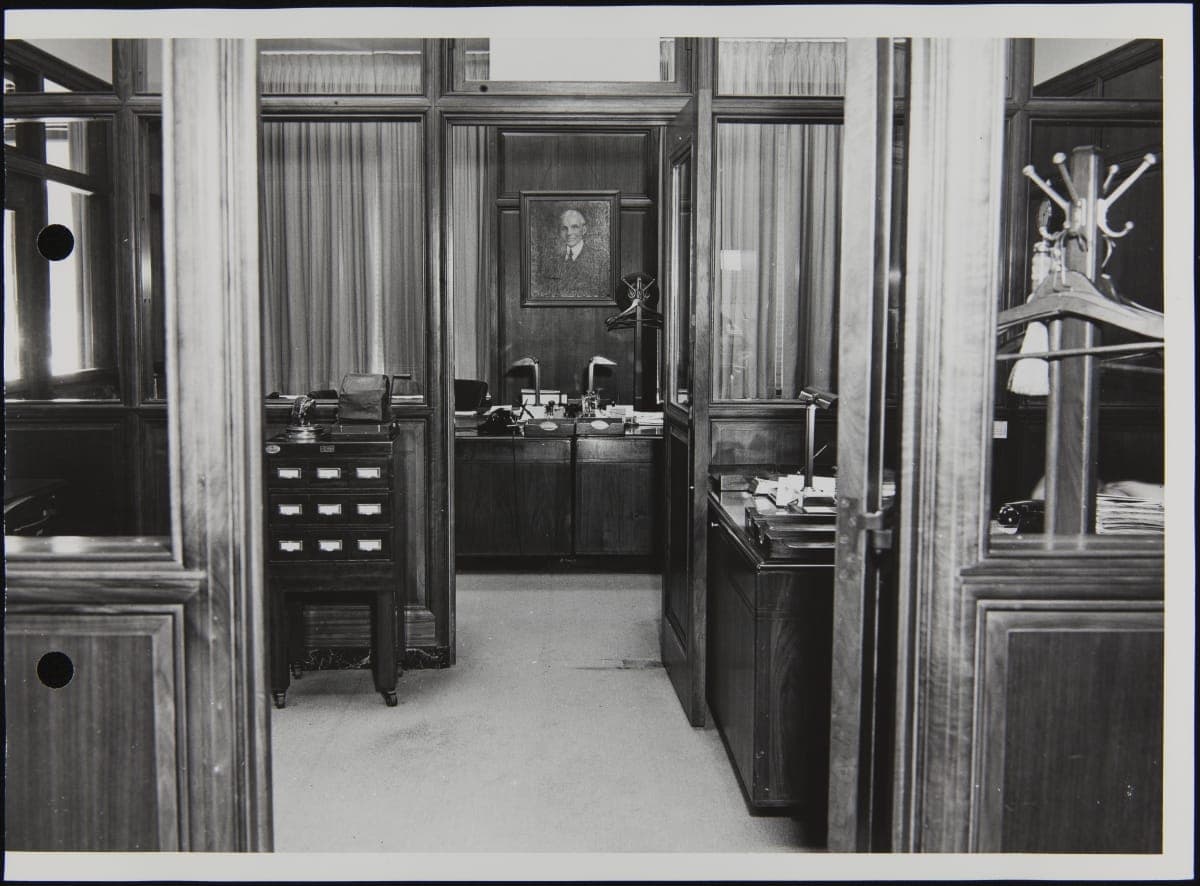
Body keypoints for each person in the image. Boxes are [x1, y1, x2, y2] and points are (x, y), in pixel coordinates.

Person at [539, 207, 609, 300]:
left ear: (584, 230)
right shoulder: (552, 261)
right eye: (564, 228)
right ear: (559, 232)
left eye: (574, 227)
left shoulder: (601, 260)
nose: (569, 233)